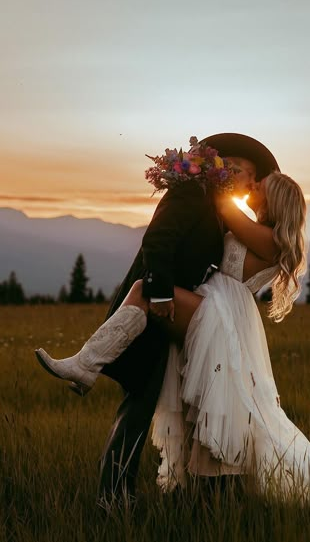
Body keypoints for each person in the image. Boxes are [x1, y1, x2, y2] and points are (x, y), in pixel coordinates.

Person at [35, 133, 280, 506]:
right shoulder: (190, 193)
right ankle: (114, 495)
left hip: (172, 315)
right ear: (223, 166)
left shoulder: (217, 206)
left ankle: (124, 490)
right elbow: (158, 241)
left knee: (143, 402)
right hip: (153, 307)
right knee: (138, 401)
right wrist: (163, 293)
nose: (248, 181)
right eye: (244, 171)